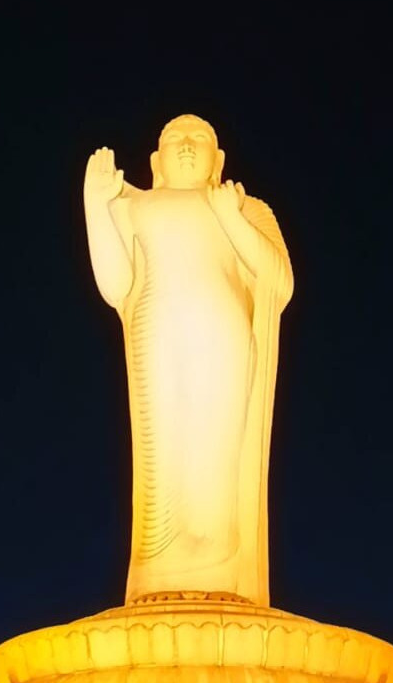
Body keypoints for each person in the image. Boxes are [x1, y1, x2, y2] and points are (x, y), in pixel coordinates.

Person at [84, 114, 293, 605]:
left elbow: (279, 282)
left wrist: (230, 218)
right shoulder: (133, 204)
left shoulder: (245, 207)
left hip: (222, 339)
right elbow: (115, 286)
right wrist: (95, 205)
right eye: (174, 138)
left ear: (217, 161)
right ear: (156, 160)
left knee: (213, 452)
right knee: (165, 455)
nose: (185, 146)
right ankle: (161, 574)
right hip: (156, 334)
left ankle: (219, 571)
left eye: (198, 139)